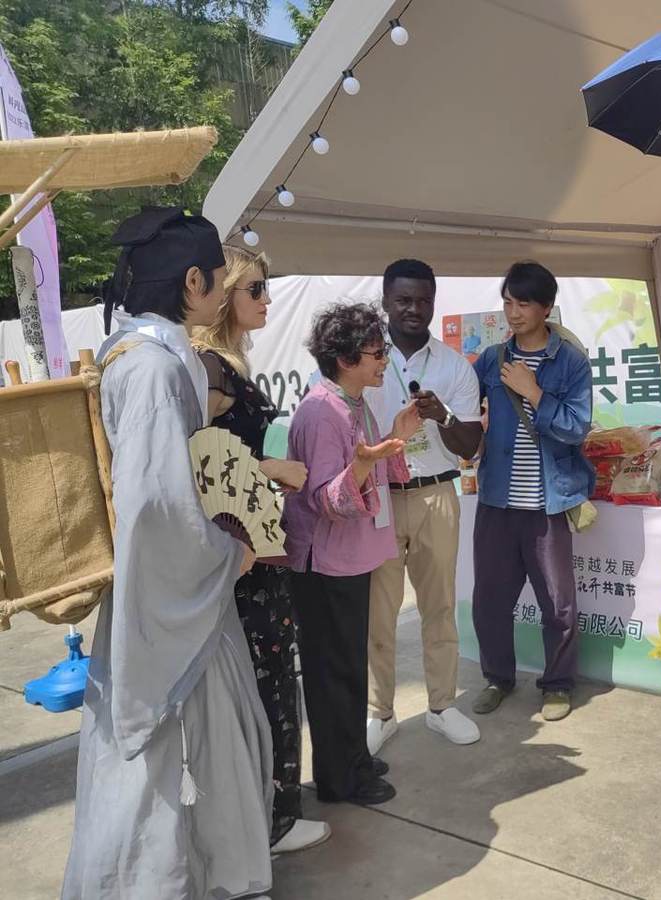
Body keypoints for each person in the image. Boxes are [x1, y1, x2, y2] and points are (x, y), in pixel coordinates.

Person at [63, 208, 272, 899]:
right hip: (173, 590)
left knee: (195, 749)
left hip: (170, 586)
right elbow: (156, 504)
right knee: (160, 755)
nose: (221, 291)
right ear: (192, 282)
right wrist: (224, 554)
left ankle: (208, 878)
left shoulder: (141, 355)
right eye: (216, 279)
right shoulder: (152, 368)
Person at [191, 245, 331, 853]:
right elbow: (189, 460)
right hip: (238, 550)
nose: (268, 301)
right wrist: (270, 464)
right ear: (224, 295)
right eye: (256, 290)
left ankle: (272, 810)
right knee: (266, 673)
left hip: (252, 538)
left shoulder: (227, 363)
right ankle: (273, 819)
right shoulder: (207, 367)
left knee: (272, 670)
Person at [284, 303, 420, 806]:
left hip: (349, 554)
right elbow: (325, 499)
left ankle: (351, 759)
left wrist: (394, 441)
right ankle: (339, 779)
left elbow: (372, 472)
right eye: (377, 353)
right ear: (345, 358)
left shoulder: (353, 403)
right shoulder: (323, 412)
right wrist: (367, 462)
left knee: (346, 665)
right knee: (332, 671)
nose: (385, 361)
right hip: (326, 560)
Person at [365, 259, 484, 752]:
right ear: (386, 302)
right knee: (379, 611)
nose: (414, 309)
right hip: (380, 497)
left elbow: (469, 445)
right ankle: (380, 712)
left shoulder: (454, 365)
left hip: (437, 493)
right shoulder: (364, 359)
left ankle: (441, 706)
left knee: (438, 606)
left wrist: (443, 415)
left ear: (434, 302)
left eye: (423, 300)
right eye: (404, 300)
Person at [471, 261, 594, 722]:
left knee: (558, 603)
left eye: (524, 303)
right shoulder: (490, 359)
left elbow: (577, 427)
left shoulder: (570, 361)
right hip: (496, 501)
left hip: (549, 502)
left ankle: (558, 684)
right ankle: (497, 678)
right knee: (490, 600)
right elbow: (469, 416)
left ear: (546, 307)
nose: (514, 312)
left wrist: (534, 392)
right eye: (508, 301)